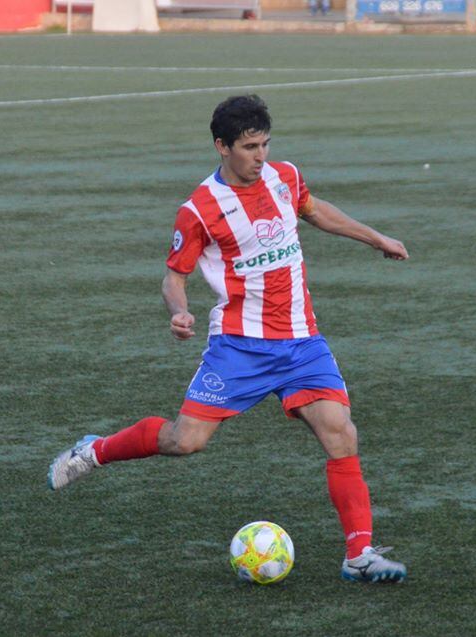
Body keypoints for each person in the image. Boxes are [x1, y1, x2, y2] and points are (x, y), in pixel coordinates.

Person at [48, 95, 410, 584]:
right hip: (240, 347)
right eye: (249, 147)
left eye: (265, 145)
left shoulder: (285, 177)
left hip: (302, 341)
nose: (260, 156)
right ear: (222, 146)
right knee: (184, 441)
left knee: (340, 432)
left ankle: (358, 554)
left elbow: (314, 210)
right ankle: (94, 451)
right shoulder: (199, 210)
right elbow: (173, 278)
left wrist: (376, 237)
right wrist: (179, 312)